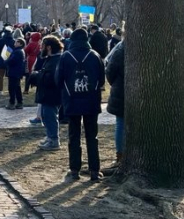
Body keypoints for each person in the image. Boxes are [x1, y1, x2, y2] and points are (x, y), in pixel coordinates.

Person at [56, 28, 105, 182]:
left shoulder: (65, 56)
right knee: (92, 136)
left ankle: (74, 170)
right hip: (91, 101)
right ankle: (94, 170)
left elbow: (58, 80)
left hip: (72, 100)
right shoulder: (95, 56)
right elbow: (102, 80)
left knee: (74, 135)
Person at [32, 36, 63, 150]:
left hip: (52, 94)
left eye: (43, 46)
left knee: (50, 116)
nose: (41, 48)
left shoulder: (57, 60)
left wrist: (37, 76)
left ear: (49, 47)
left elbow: (51, 78)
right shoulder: (49, 59)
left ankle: (54, 140)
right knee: (45, 116)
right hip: (46, 93)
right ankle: (50, 136)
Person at [104, 39, 125, 174]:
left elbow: (110, 69)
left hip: (121, 89)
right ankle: (121, 155)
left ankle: (120, 155)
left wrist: (116, 82)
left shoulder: (121, 47)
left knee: (121, 123)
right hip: (122, 89)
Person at [0, 26, 14, 95]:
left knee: (0, 76)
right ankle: (11, 90)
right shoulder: (13, 41)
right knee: (11, 77)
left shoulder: (1, 40)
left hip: (1, 59)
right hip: (11, 60)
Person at [6, 38, 26, 110]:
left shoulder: (17, 52)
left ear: (20, 44)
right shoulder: (20, 51)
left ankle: (12, 103)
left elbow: (11, 61)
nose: (15, 43)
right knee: (17, 88)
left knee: (12, 88)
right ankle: (19, 102)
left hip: (14, 72)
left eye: (17, 42)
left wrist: (7, 59)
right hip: (17, 72)